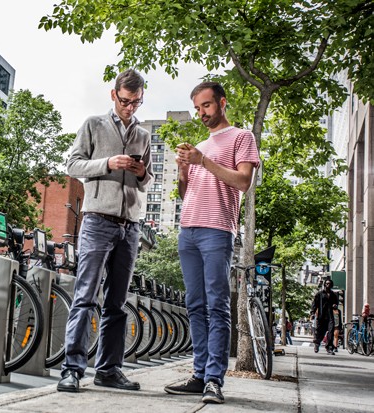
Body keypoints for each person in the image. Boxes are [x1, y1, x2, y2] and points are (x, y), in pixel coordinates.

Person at [57, 69, 154, 393]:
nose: (130, 108)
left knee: (117, 302)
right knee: (86, 296)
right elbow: (72, 165)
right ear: (114, 95)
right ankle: (72, 369)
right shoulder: (93, 125)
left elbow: (148, 179)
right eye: (126, 101)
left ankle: (109, 369)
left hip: (130, 227)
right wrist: (108, 163)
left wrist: (141, 172)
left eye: (136, 103)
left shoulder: (144, 133)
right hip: (98, 220)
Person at [163, 81, 259, 404]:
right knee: (194, 306)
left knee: (217, 305)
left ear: (222, 102)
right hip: (187, 230)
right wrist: (182, 171)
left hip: (218, 231)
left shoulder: (241, 137)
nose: (201, 113)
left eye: (206, 105)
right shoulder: (201, 146)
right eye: (197, 108)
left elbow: (243, 182)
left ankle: (215, 380)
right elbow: (185, 193)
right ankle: (199, 374)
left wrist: (202, 161)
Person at [310, 278, 338, 354]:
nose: (328, 285)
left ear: (331, 285)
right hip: (321, 316)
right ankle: (317, 344)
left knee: (331, 331)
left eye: (329, 284)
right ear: (325, 284)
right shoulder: (319, 294)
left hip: (330, 316)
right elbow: (314, 304)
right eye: (327, 283)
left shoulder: (334, 295)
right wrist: (312, 313)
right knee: (319, 332)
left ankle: (329, 347)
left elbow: (336, 304)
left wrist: (335, 306)